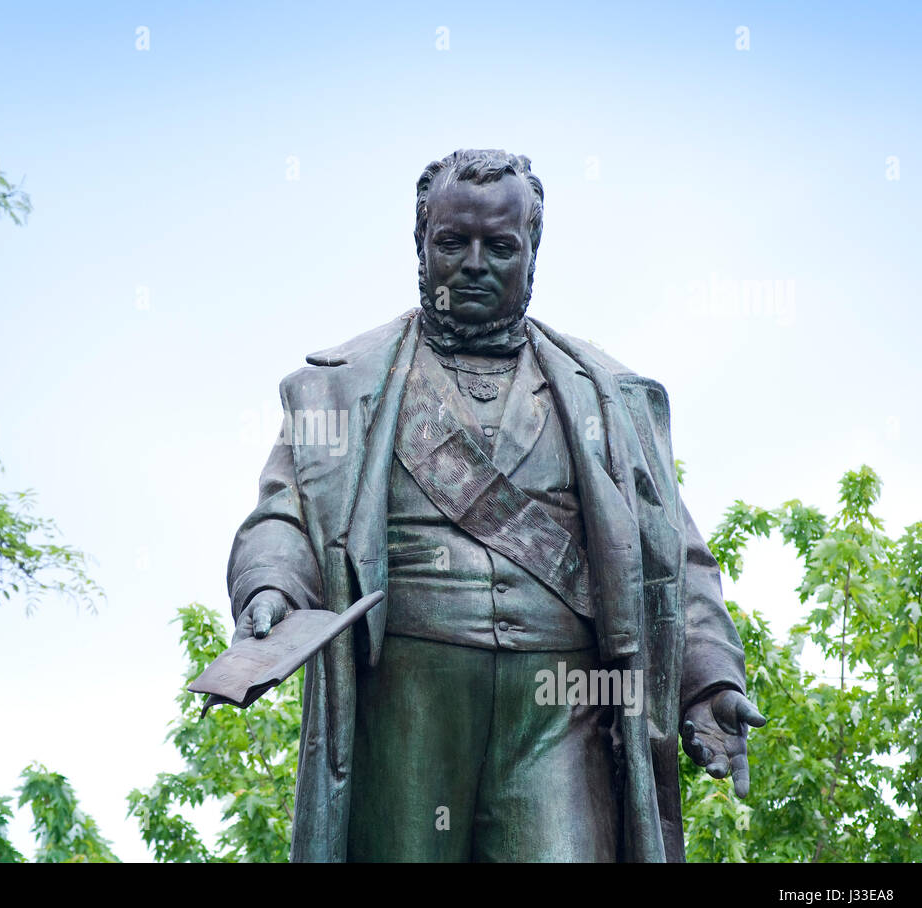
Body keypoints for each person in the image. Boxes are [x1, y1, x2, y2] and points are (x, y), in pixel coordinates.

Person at [226, 149, 765, 862]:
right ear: (420, 243)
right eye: (453, 242)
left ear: (532, 251)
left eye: (499, 246)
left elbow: (674, 555)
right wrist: (268, 587)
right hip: (407, 701)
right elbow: (285, 510)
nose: (474, 263)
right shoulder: (341, 388)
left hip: (561, 709)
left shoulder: (612, 398)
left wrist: (711, 677)